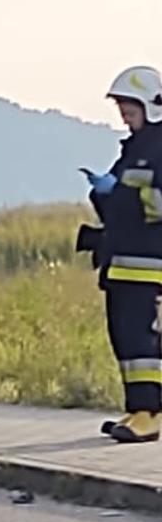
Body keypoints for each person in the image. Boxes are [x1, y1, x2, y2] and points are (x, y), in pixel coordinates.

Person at [80, 66, 162, 443]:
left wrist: (120, 193)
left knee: (142, 341)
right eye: (121, 107)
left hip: (149, 265)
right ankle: (137, 408)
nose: (124, 113)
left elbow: (155, 205)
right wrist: (103, 192)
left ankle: (151, 414)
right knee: (126, 338)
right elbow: (118, 206)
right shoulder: (134, 149)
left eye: (129, 105)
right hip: (124, 263)